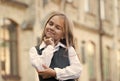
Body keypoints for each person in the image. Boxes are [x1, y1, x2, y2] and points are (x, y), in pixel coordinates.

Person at [29, 11, 82, 81]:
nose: (52, 28)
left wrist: (55, 73)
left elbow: (77, 70)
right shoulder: (35, 50)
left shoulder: (69, 50)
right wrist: (50, 47)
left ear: (63, 35)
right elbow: (42, 68)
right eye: (50, 24)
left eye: (58, 28)